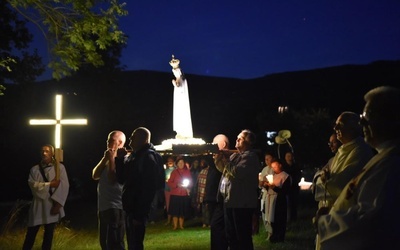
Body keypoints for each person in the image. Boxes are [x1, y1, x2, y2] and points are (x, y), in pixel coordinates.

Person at [315, 86, 400, 249]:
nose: (362, 122)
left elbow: (372, 221)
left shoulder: (391, 164)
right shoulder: (382, 158)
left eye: (367, 116)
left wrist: (325, 223)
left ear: (393, 119)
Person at [115, 127, 163, 250]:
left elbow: (149, 188)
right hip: (130, 207)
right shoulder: (134, 156)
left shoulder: (148, 158)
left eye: (133, 136)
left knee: (136, 243)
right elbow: (121, 179)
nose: (130, 139)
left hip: (138, 210)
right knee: (131, 242)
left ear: (144, 139)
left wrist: (140, 214)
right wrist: (120, 160)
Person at [214, 129, 260, 250]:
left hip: (242, 203)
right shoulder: (235, 155)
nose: (237, 140)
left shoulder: (250, 157)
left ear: (248, 142)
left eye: (240, 138)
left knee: (242, 236)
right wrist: (218, 157)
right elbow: (223, 169)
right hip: (230, 201)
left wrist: (225, 159)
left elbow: (237, 172)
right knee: (231, 235)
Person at [22, 144, 69, 250]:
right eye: (42, 151)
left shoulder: (59, 168)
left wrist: (58, 204)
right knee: (31, 233)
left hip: (52, 204)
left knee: (48, 235)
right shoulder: (34, 169)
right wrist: (49, 185)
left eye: (47, 151)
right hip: (38, 204)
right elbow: (32, 185)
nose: (44, 153)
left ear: (52, 153)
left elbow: (64, 186)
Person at [92, 130, 126, 250]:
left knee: (115, 242)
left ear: (120, 143)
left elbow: (113, 179)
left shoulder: (124, 160)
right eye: (108, 140)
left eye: (111, 140)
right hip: (104, 206)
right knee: (104, 242)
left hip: (116, 207)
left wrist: (111, 159)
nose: (108, 143)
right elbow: (95, 175)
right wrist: (105, 159)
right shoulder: (107, 158)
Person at [261, 158, 291, 243]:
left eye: (275, 166)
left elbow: (285, 191)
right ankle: (272, 236)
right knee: (271, 218)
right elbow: (268, 188)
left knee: (279, 219)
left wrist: (274, 188)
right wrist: (266, 185)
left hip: (278, 201)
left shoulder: (285, 176)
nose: (273, 168)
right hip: (270, 199)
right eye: (272, 167)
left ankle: (279, 237)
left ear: (280, 165)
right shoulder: (272, 175)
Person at [209, 134, 230, 250]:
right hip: (216, 198)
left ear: (224, 144)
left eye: (215, 143)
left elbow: (223, 169)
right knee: (216, 227)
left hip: (225, 199)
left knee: (218, 227)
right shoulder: (217, 157)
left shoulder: (227, 158)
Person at [312, 133, 342, 208]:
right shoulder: (331, 160)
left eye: (334, 142)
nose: (330, 145)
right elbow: (319, 174)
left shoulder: (344, 158)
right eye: (329, 143)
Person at [169, 55, 193, 139]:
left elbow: (179, 85)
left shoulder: (181, 80)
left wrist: (175, 84)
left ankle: (183, 133)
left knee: (181, 114)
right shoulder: (179, 80)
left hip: (181, 102)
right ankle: (181, 132)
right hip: (179, 101)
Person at [167, 156, 193, 230]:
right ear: (177, 164)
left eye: (182, 162)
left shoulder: (187, 172)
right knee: (175, 211)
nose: (181, 164)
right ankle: (175, 226)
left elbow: (191, 182)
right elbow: (169, 182)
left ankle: (181, 225)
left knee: (182, 211)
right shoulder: (174, 172)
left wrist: (187, 185)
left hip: (183, 194)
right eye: (179, 163)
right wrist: (176, 185)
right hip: (175, 194)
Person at [258, 152, 276, 238]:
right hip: (264, 193)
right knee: (264, 212)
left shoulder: (275, 169)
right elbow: (260, 182)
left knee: (270, 213)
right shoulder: (264, 169)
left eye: (269, 158)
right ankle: (268, 230)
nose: (267, 161)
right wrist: (262, 182)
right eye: (265, 159)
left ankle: (272, 232)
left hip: (272, 194)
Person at [282, 151, 301, 222]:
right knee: (287, 203)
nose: (289, 158)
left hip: (294, 187)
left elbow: (298, 176)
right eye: (287, 156)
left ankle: (294, 218)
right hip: (286, 188)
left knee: (294, 203)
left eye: (290, 156)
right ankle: (287, 218)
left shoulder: (296, 166)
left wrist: (294, 180)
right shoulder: (283, 167)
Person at [196, 158, 211, 227]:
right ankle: (205, 222)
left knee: (207, 209)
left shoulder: (207, 171)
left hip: (206, 192)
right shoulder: (203, 171)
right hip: (205, 192)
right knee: (205, 209)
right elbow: (199, 183)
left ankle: (207, 222)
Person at [164, 156, 176, 226]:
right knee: (168, 204)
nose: (170, 162)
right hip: (167, 188)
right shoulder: (165, 171)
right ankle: (169, 219)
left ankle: (174, 219)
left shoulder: (176, 170)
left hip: (174, 188)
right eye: (168, 161)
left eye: (171, 160)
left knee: (174, 203)